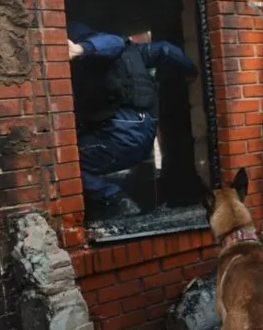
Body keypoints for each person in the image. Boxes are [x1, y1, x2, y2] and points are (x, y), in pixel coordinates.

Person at [66, 22, 199, 221]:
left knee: (67, 164)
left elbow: (111, 42)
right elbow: (165, 49)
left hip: (121, 133)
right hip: (144, 133)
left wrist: (79, 49)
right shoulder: (136, 52)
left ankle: (115, 198)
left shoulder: (100, 48)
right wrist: (190, 70)